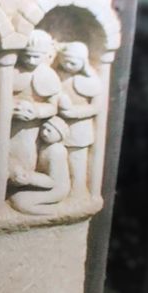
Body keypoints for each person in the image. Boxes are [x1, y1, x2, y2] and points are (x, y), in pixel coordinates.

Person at [9, 29, 61, 185]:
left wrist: (36, 111)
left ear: (46, 55)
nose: (31, 60)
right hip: (8, 123)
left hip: (30, 128)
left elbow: (53, 107)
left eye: (36, 56)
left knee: (25, 159)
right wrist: (11, 107)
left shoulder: (49, 75)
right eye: (27, 55)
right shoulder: (12, 71)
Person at [56, 41, 104, 197]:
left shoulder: (91, 80)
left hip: (79, 127)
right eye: (65, 61)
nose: (68, 65)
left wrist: (74, 112)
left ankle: (77, 191)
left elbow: (96, 107)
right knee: (58, 161)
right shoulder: (57, 75)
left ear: (83, 62)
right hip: (57, 125)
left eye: (73, 62)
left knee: (76, 161)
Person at [9, 116, 71, 216]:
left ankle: (54, 212)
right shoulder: (45, 146)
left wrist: (30, 178)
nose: (44, 133)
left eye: (49, 130)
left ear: (59, 135)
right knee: (15, 197)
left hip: (57, 190)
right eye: (43, 128)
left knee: (20, 201)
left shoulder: (56, 151)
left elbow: (52, 182)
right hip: (44, 184)